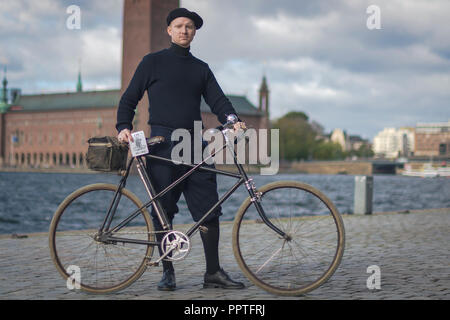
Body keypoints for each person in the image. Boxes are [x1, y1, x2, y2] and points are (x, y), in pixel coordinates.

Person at [116, 8, 246, 291]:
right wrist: (123, 125)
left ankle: (213, 273)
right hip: (161, 147)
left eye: (189, 26)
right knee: (163, 211)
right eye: (179, 26)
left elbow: (219, 101)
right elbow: (129, 98)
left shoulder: (201, 69)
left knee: (209, 210)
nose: (184, 30)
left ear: (194, 32)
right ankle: (168, 272)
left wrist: (233, 120)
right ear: (169, 30)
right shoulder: (152, 63)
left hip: (195, 146)